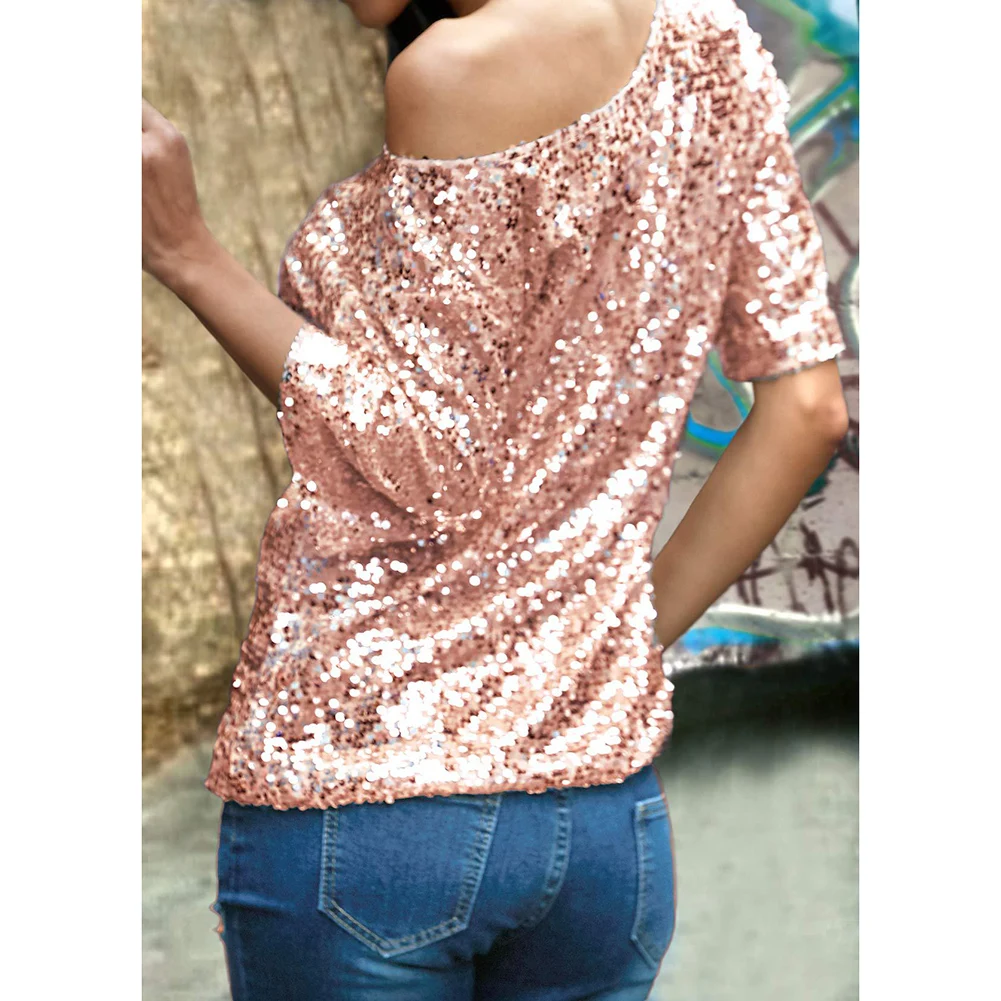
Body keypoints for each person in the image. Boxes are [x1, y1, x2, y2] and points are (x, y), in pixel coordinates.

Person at [141, 0, 849, 997]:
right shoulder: (713, 42)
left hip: (369, 802)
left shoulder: (454, 73)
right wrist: (606, 648)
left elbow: (430, 460)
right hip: (602, 824)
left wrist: (188, 254)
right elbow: (805, 409)